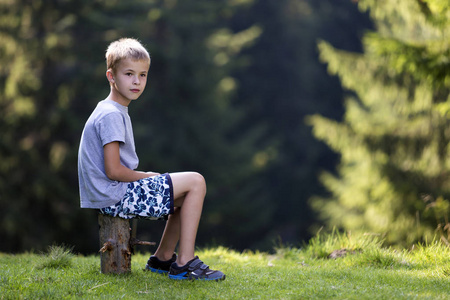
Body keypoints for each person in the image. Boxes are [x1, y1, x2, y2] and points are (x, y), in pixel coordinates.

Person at [77, 38, 225, 281]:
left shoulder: (113, 110)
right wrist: (146, 176)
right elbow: (113, 170)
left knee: (185, 194)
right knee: (196, 182)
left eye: (142, 75)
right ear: (111, 76)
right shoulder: (111, 114)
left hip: (112, 193)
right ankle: (184, 263)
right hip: (113, 195)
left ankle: (163, 258)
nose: (137, 81)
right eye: (129, 74)